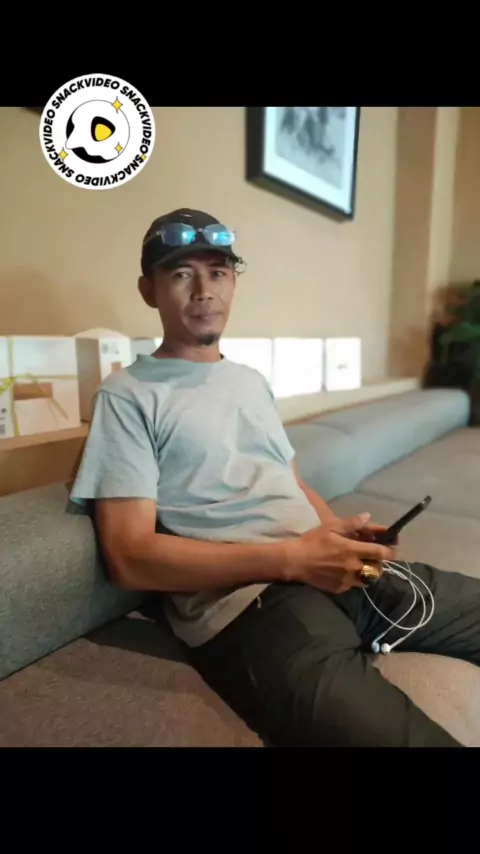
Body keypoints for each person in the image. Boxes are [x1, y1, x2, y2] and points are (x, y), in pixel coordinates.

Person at [70, 207, 480, 748]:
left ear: (233, 283)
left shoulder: (249, 380)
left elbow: (289, 479)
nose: (204, 290)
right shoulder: (128, 395)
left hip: (331, 568)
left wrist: (335, 533)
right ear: (149, 290)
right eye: (181, 274)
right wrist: (292, 559)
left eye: (218, 272)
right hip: (254, 608)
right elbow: (129, 556)